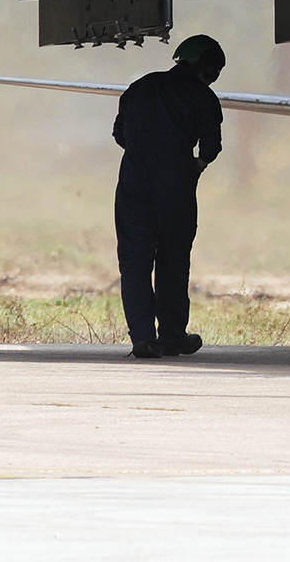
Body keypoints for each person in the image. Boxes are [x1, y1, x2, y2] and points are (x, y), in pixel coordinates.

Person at [113, 34, 224, 360]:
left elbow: (119, 133)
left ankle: (143, 339)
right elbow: (211, 147)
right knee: (173, 261)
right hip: (176, 186)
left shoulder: (140, 87)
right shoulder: (203, 96)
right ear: (207, 66)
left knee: (135, 261)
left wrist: (145, 154)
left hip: (133, 184)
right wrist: (194, 167)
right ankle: (173, 337)